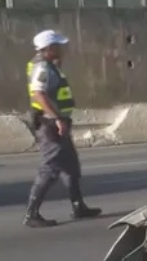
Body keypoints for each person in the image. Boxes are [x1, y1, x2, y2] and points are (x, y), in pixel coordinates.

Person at [24, 29, 101, 228]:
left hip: (57, 122)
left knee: (71, 166)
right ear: (49, 48)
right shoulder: (43, 68)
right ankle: (32, 214)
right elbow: (39, 94)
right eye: (58, 45)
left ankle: (78, 207)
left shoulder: (49, 65)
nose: (62, 48)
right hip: (50, 124)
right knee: (50, 168)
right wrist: (57, 118)